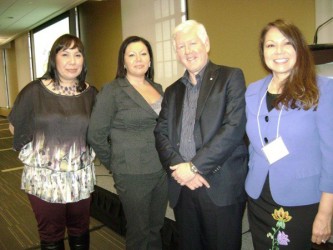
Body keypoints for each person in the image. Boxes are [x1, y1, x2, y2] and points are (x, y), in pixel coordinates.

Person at [154, 20, 248, 249]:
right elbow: (161, 132)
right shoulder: (172, 90)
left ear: (206, 43)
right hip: (182, 186)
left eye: (192, 43)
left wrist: (194, 167)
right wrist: (181, 169)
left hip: (219, 185)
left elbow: (233, 128)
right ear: (176, 53)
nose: (188, 51)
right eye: (181, 47)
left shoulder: (231, 77)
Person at [245, 19, 333, 249]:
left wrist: (325, 213)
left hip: (300, 199)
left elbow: (331, 155)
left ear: (299, 48)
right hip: (258, 197)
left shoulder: (323, 89)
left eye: (287, 44)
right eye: (270, 45)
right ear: (262, 52)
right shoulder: (253, 91)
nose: (278, 51)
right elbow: (253, 145)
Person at [8, 34, 97, 250]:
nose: (72, 61)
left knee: (80, 229)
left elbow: (98, 131)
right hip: (44, 177)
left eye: (77, 55)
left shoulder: (91, 93)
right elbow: (15, 126)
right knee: (51, 232)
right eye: (64, 54)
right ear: (53, 58)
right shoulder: (35, 90)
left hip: (79, 175)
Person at [87, 36, 168, 250]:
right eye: (131, 54)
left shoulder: (157, 87)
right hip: (132, 174)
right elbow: (95, 134)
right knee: (139, 232)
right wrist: (116, 164)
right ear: (123, 62)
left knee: (156, 227)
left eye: (143, 54)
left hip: (161, 170)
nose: (138, 59)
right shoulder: (112, 91)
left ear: (150, 60)